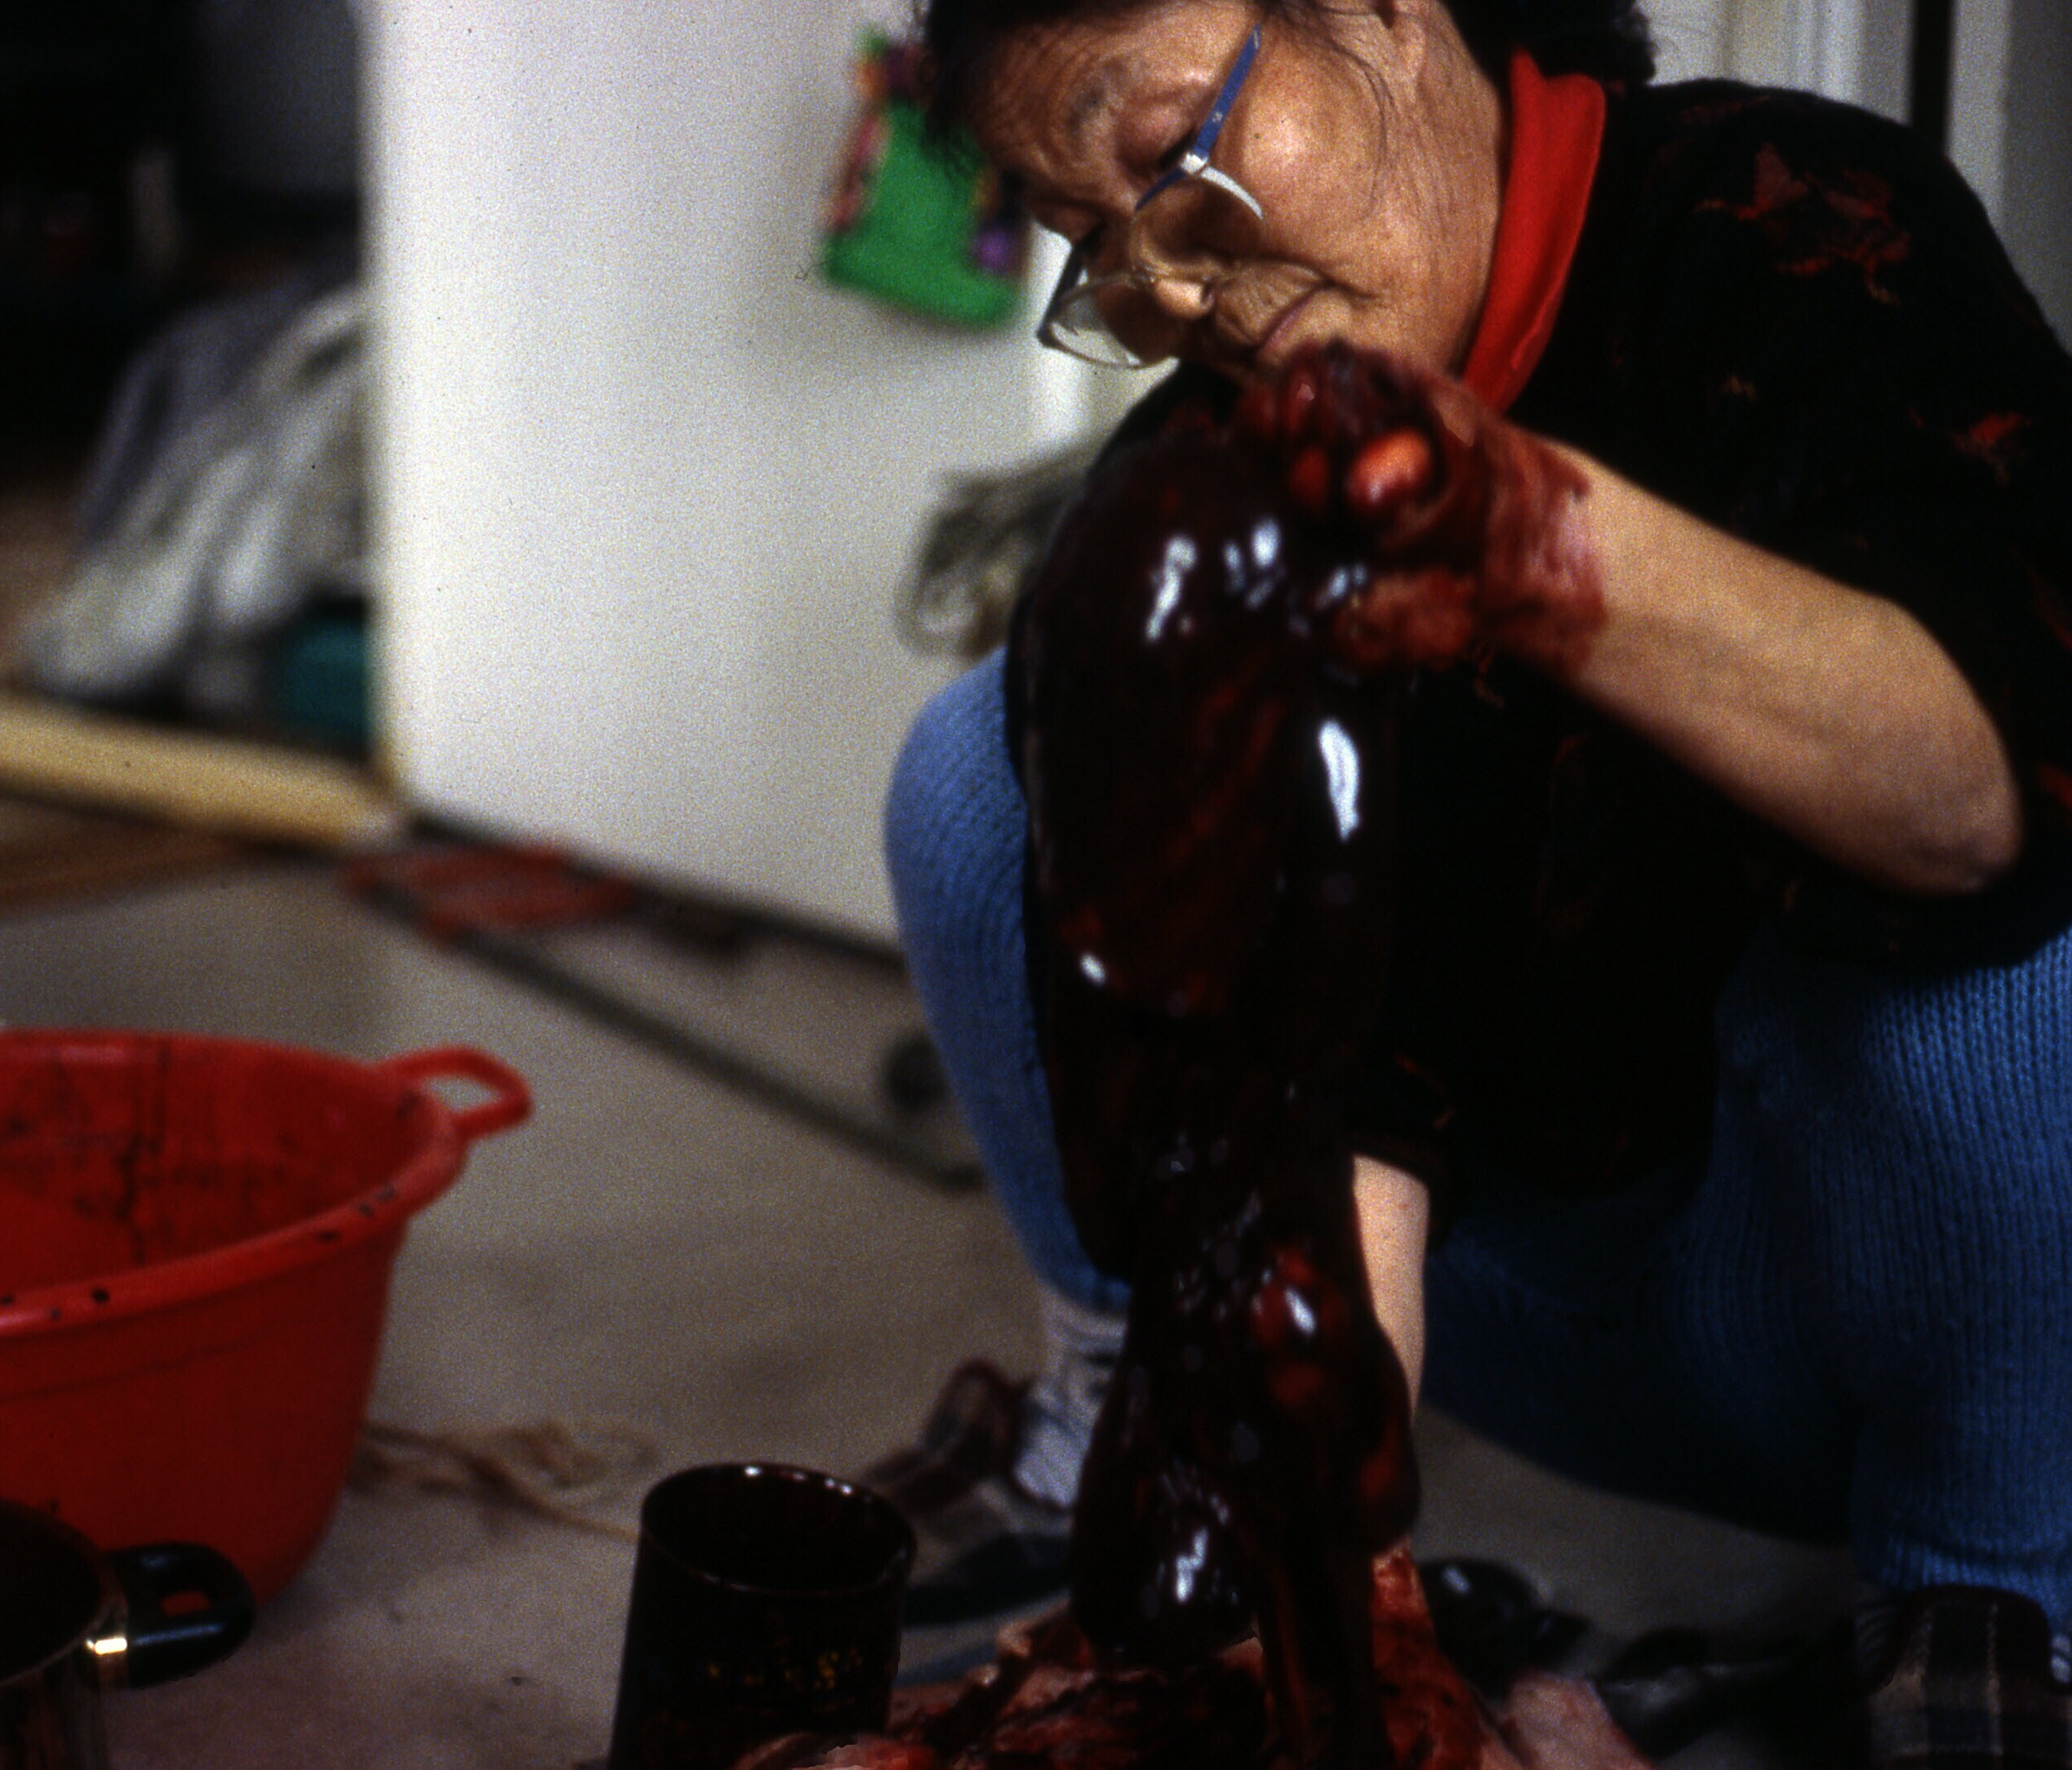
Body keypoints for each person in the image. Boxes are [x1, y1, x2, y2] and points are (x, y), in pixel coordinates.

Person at [863, 0, 2072, 1757]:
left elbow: (1978, 801)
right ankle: (1126, 1411)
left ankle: (1990, 1576)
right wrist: (1319, 1601)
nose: (1167, 288)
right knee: (984, 766)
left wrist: (1512, 531)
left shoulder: (1795, 227)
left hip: (1853, 1305)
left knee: (2009, 940)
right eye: (1087, 244)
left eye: (1174, 155)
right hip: (1525, 1315)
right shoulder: (1210, 477)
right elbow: (1326, 1096)